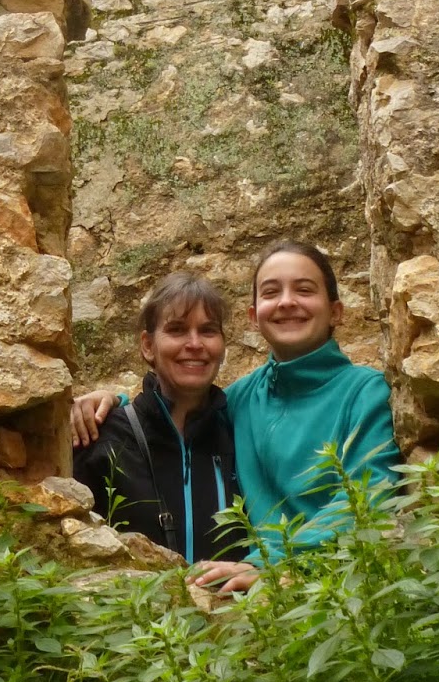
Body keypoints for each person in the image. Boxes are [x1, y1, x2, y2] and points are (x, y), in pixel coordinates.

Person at [72, 239, 399, 594]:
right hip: (247, 597)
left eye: (304, 290)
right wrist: (113, 405)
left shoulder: (366, 392)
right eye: (271, 292)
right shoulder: (242, 398)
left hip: (332, 589)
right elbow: (175, 411)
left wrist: (270, 563)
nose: (287, 301)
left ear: (336, 311)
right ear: (254, 316)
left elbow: (370, 497)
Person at [73, 273, 247, 564]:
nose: (195, 343)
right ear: (147, 346)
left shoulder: (240, 432)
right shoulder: (103, 438)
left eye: (208, 331)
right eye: (177, 330)